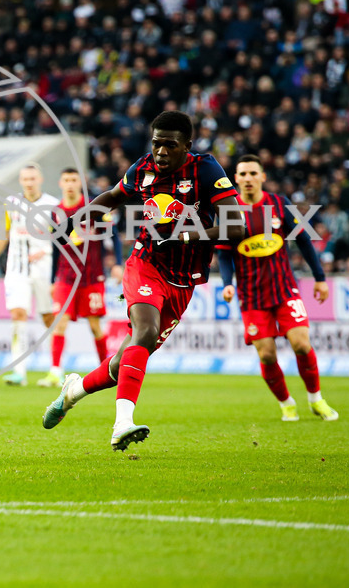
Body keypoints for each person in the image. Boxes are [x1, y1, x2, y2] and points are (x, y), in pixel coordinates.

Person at [42, 111, 244, 450]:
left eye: (170, 145)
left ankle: (72, 392)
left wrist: (184, 237)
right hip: (145, 264)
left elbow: (237, 227)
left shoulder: (206, 170)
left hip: (184, 280)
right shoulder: (143, 168)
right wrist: (74, 221)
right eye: (156, 144)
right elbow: (112, 196)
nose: (161, 152)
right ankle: (122, 424)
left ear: (187, 146)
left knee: (125, 360)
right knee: (145, 331)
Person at [217, 155, 339, 422]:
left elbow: (304, 240)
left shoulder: (279, 204)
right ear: (235, 179)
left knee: (301, 344)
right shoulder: (229, 211)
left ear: (262, 176)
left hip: (284, 289)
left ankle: (316, 399)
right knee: (267, 354)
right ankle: (286, 403)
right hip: (251, 296)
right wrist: (227, 283)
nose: (248, 178)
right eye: (243, 174)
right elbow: (224, 254)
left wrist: (319, 278)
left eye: (253, 173)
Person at [0, 163, 60, 386]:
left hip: (45, 268)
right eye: (25, 179)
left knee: (48, 317)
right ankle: (19, 371)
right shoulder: (11, 203)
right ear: (20, 181)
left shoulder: (53, 206)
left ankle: (55, 369)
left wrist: (46, 251)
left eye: (32, 178)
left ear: (40, 179)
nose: (29, 183)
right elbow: (3, 233)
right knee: (18, 314)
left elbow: (62, 239)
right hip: (16, 268)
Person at [50, 168, 121, 386]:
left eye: (74, 180)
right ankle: (55, 371)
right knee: (60, 322)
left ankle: (105, 370)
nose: (70, 184)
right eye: (66, 180)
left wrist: (117, 263)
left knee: (95, 326)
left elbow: (114, 235)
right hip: (65, 277)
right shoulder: (56, 213)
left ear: (80, 183)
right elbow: (55, 248)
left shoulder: (94, 207)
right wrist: (52, 279)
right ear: (61, 183)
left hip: (91, 277)